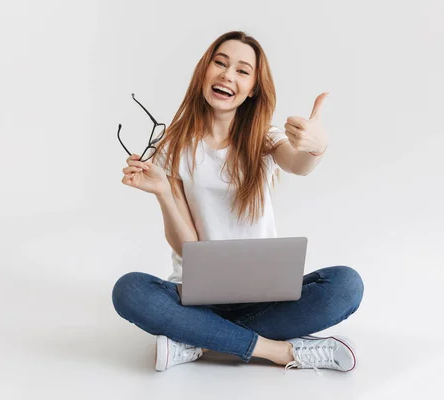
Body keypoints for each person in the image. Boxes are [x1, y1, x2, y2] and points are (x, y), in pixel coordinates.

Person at [112, 31, 364, 374]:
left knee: (346, 285)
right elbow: (187, 247)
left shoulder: (263, 138)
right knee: (129, 291)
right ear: (204, 71)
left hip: (263, 296)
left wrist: (316, 147)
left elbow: (297, 163)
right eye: (220, 62)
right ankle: (277, 351)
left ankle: (197, 340)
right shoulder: (174, 145)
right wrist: (164, 194)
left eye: (243, 71)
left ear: (253, 88)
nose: (228, 75)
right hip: (195, 296)